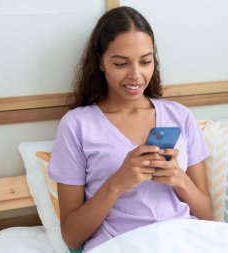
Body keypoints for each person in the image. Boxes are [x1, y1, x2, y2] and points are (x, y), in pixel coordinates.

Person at [48, 6, 213, 252]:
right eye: (121, 63)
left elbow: (208, 216)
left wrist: (179, 179)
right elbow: (71, 237)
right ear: (101, 62)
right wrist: (117, 183)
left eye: (145, 61)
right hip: (119, 245)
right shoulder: (77, 125)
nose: (136, 76)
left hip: (182, 240)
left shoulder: (180, 116)